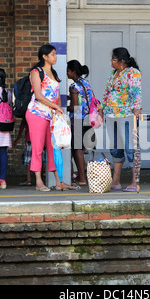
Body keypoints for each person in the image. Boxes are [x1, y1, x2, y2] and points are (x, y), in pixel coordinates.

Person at [26, 44, 74, 192]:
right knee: (38, 148)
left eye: (55, 54)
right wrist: (57, 107)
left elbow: (57, 96)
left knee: (55, 148)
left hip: (51, 116)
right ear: (44, 57)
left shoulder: (54, 74)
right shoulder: (36, 72)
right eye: (52, 54)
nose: (56, 57)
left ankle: (59, 182)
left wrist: (57, 110)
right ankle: (39, 181)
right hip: (36, 114)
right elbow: (39, 96)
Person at [102, 47, 142, 192]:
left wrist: (137, 108)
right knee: (115, 148)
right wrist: (103, 108)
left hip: (126, 115)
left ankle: (134, 181)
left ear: (122, 61)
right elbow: (107, 93)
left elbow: (136, 92)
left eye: (113, 58)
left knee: (131, 147)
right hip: (111, 115)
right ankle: (116, 180)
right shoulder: (113, 74)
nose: (111, 61)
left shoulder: (132, 73)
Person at [67, 60, 98, 186]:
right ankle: (83, 170)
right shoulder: (86, 83)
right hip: (88, 118)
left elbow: (75, 107)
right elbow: (85, 99)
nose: (67, 73)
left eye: (68, 71)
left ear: (73, 71)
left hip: (78, 119)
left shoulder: (73, 87)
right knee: (79, 148)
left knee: (77, 148)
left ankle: (82, 179)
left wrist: (63, 106)